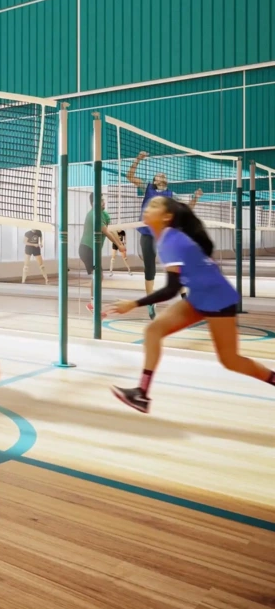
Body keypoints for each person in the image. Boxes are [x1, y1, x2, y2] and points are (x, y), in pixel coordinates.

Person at [106, 196, 275, 413]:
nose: (148, 207)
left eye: (155, 205)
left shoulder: (172, 241)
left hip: (218, 299)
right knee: (153, 331)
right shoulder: (167, 239)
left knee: (231, 360)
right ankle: (142, 394)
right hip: (199, 297)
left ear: (167, 217)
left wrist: (134, 303)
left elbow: (171, 290)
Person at [125, 151, 202, 311]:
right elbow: (129, 176)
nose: (162, 175)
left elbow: (187, 208)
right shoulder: (147, 188)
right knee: (150, 268)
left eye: (163, 175)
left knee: (174, 265)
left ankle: (184, 297)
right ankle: (150, 304)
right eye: (159, 175)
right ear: (154, 180)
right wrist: (138, 159)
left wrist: (196, 197)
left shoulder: (170, 194)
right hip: (147, 235)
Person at [78, 194, 128, 314]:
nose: (104, 202)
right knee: (98, 275)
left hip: (92, 250)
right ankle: (92, 304)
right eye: (101, 201)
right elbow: (105, 232)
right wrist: (119, 245)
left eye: (103, 200)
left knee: (99, 276)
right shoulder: (94, 214)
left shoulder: (104, 214)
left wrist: (120, 244)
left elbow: (110, 230)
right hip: (87, 249)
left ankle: (93, 303)